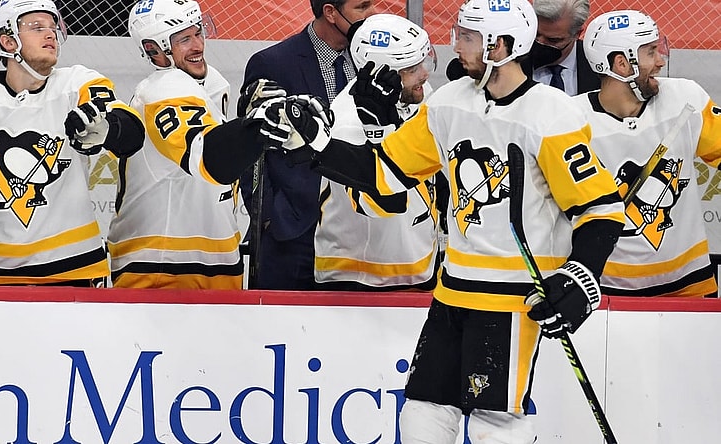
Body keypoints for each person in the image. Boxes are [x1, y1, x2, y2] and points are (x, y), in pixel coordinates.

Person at [294, 0, 625, 441]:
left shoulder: (551, 114)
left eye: (467, 37)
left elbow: (600, 208)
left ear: (501, 46)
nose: (455, 46)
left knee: (498, 421)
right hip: (452, 291)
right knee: (423, 411)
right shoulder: (449, 102)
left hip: (513, 299)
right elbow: (386, 176)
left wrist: (582, 273)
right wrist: (319, 145)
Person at [0, 0, 144, 285]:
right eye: (36, 27)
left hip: (74, 269)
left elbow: (130, 131)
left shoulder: (77, 83)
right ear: (7, 41)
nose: (50, 34)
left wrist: (108, 127)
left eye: (53, 27)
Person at [108, 0, 288, 288]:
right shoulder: (163, 90)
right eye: (183, 39)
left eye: (198, 32)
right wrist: (258, 124)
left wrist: (251, 124)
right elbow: (211, 161)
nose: (198, 45)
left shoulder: (209, 83)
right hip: (165, 264)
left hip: (212, 257)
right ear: (155, 52)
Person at [575, 10, 721, 298]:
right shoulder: (571, 120)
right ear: (620, 63)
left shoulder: (685, 98)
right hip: (603, 289)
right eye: (651, 52)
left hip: (688, 284)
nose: (660, 60)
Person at [238, 0, 377, 290]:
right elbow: (250, 148)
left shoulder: (374, 60)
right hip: (294, 236)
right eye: (362, 7)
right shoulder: (273, 63)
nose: (371, 15)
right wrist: (271, 220)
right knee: (283, 332)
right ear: (330, 12)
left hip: (362, 233)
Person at [315, 13, 444, 291]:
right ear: (380, 74)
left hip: (418, 267)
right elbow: (383, 205)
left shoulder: (418, 94)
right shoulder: (347, 122)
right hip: (363, 278)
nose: (425, 73)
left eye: (423, 61)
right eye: (412, 68)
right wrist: (380, 132)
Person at [530, 0, 599, 95]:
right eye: (536, 34)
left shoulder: (597, 64)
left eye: (553, 40)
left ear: (577, 34)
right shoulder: (510, 58)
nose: (540, 42)